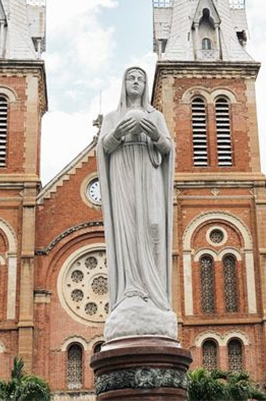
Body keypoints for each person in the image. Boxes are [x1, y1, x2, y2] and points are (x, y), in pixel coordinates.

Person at [98, 66, 175, 339]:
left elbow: (167, 148)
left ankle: (153, 295)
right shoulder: (112, 117)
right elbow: (104, 147)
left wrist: (153, 133)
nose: (136, 82)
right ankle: (131, 288)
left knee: (153, 227)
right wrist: (118, 132)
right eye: (130, 77)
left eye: (141, 79)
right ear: (123, 83)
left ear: (146, 86)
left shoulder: (157, 116)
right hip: (123, 177)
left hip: (149, 177)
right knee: (127, 232)